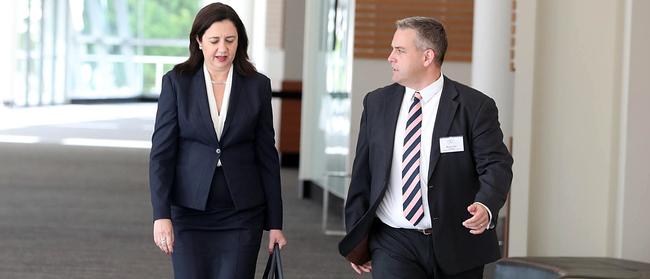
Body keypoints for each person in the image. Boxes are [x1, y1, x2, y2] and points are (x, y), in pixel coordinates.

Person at [338, 16, 513, 278]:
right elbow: (363, 173)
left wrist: (486, 205)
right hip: (392, 241)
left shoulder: (474, 106)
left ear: (427, 56)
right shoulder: (377, 103)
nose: (390, 57)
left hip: (457, 240)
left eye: (399, 50)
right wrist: (357, 239)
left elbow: (496, 165)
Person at [148, 3, 286, 278]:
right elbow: (162, 154)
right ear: (199, 41)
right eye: (214, 41)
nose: (222, 49)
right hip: (189, 211)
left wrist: (275, 223)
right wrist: (160, 215)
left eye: (229, 40)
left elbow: (267, 156)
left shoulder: (256, 85)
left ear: (239, 43)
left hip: (242, 213)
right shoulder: (177, 82)